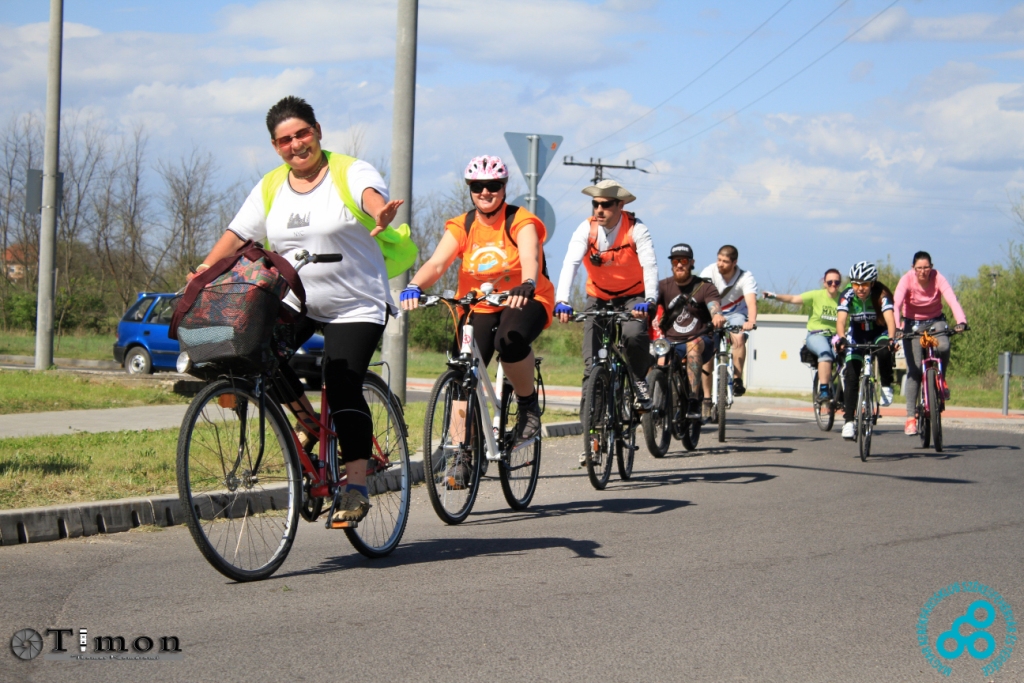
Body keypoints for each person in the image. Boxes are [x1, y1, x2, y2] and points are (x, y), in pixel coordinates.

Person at [191, 96, 404, 524]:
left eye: (302, 134)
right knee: (249, 349)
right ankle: (310, 426)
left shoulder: (348, 170)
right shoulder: (271, 186)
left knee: (341, 382)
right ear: (275, 147)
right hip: (297, 299)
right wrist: (203, 273)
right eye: (284, 140)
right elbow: (237, 234)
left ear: (318, 131)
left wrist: (378, 210)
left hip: (355, 302)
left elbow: (368, 195)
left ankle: (356, 485)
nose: (296, 145)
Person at [400, 155, 554, 483]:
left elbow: (529, 256)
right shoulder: (463, 225)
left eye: (493, 186)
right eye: (478, 186)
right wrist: (414, 285)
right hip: (480, 305)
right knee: (461, 373)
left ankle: (527, 407)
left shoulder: (520, 221)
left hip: (524, 297)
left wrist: (527, 284)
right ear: (470, 189)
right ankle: (460, 453)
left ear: (503, 188)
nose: (486, 192)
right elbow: (438, 263)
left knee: (509, 341)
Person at [553, 179, 659, 411]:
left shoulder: (636, 229)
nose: (599, 209)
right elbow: (570, 263)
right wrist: (562, 300)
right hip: (598, 297)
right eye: (595, 204)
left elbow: (650, 265)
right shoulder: (586, 228)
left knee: (633, 335)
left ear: (620, 205)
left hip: (633, 297)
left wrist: (650, 300)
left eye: (607, 204)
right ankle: (593, 424)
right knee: (592, 362)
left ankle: (639, 379)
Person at [894, 251, 968, 436]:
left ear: (931, 267)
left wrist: (961, 321)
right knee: (915, 371)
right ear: (913, 268)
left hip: (936, 321)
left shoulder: (938, 278)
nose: (923, 271)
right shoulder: (907, 280)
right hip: (912, 324)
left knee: (943, 346)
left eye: (926, 267)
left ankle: (940, 379)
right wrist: (897, 327)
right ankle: (911, 417)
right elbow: (896, 304)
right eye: (919, 268)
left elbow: (951, 298)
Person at [654, 244, 726, 418]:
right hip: (672, 340)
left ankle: (694, 401)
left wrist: (716, 315)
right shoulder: (662, 286)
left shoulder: (704, 287)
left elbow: (713, 306)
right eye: (676, 261)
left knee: (692, 346)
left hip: (700, 340)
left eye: (684, 261)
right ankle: (657, 401)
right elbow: (649, 304)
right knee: (659, 355)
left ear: (691, 263)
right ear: (672, 264)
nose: (679, 265)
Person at [835, 261, 897, 440]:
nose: (860, 288)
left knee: (885, 351)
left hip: (878, 332)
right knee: (851, 375)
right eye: (856, 284)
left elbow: (891, 321)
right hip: (857, 334)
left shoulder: (882, 295)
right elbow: (840, 321)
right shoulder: (846, 294)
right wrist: (842, 338)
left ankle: (886, 384)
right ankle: (848, 422)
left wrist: (891, 339)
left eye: (864, 284)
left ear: (873, 283)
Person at [762, 269, 843, 401]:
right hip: (817, 335)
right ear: (824, 283)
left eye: (836, 282)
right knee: (825, 353)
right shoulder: (816, 295)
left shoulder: (843, 298)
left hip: (836, 337)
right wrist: (774, 296)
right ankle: (823, 390)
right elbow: (794, 298)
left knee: (847, 359)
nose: (833, 285)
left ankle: (846, 394)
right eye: (830, 282)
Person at [700, 245, 758, 400]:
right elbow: (703, 296)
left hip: (736, 313)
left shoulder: (745, 277)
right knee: (707, 346)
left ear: (734, 262)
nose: (720, 264)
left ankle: (737, 379)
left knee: (738, 337)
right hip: (712, 312)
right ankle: (705, 391)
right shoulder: (709, 272)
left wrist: (751, 321)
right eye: (719, 259)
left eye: (725, 261)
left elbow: (751, 302)